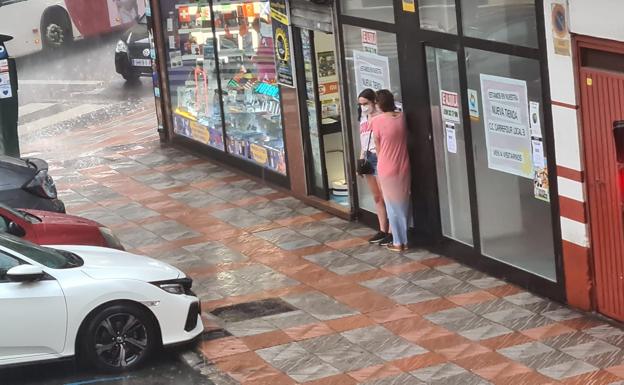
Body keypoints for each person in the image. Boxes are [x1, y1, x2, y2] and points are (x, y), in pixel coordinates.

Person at [370, 89, 411, 251]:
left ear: (379, 104)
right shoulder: (402, 117)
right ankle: (405, 239)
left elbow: (378, 146)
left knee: (392, 205)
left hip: (386, 166)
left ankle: (398, 242)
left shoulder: (377, 121)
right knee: (404, 203)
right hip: (404, 164)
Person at [357, 89, 390, 245]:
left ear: (373, 102)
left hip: (379, 157)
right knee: (376, 196)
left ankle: (390, 231)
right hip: (368, 157)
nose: (363, 107)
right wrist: (361, 159)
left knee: (385, 195)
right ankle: (382, 229)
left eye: (365, 104)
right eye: (361, 104)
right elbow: (363, 140)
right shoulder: (363, 118)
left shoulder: (381, 117)